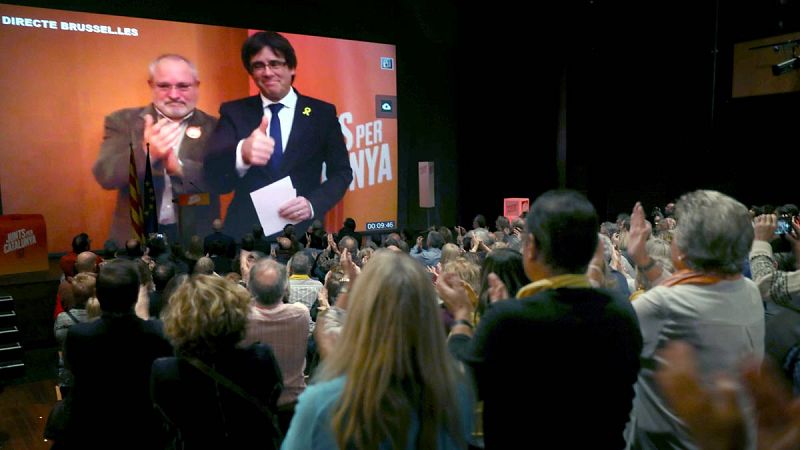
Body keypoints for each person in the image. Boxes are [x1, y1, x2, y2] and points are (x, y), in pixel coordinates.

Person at [437, 190, 642, 449]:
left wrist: (462, 317)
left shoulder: (509, 319)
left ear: (531, 247)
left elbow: (460, 387)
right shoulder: (622, 312)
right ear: (595, 249)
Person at [282, 250, 474, 449]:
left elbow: (328, 324)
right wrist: (462, 314)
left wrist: (350, 284)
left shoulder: (322, 403)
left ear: (362, 315)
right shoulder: (458, 390)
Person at [625, 190, 765, 449]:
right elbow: (690, 293)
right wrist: (644, 261)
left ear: (684, 250)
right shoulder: (749, 290)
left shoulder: (657, 306)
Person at [204, 31, 353, 240]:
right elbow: (216, 180)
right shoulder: (233, 112)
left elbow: (342, 172)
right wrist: (242, 155)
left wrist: (312, 204)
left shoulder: (322, 113)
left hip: (304, 233)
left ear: (291, 67)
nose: (267, 72)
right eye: (258, 66)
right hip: (245, 235)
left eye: (275, 64)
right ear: (251, 72)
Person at [93, 54, 219, 246]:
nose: (174, 95)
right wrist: (147, 153)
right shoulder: (122, 121)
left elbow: (222, 181)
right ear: (151, 85)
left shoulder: (216, 127)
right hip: (136, 238)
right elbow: (106, 175)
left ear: (196, 85)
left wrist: (181, 169)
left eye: (183, 86)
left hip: (195, 238)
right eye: (164, 86)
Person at [151, 275, 284, 449]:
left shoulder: (165, 371)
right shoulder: (261, 357)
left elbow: (167, 423)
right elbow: (272, 402)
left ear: (177, 320)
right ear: (237, 313)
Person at [60, 259, 173, 448]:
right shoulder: (159, 333)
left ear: (99, 295)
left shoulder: (79, 335)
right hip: (144, 430)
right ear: (136, 295)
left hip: (93, 429)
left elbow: (72, 370)